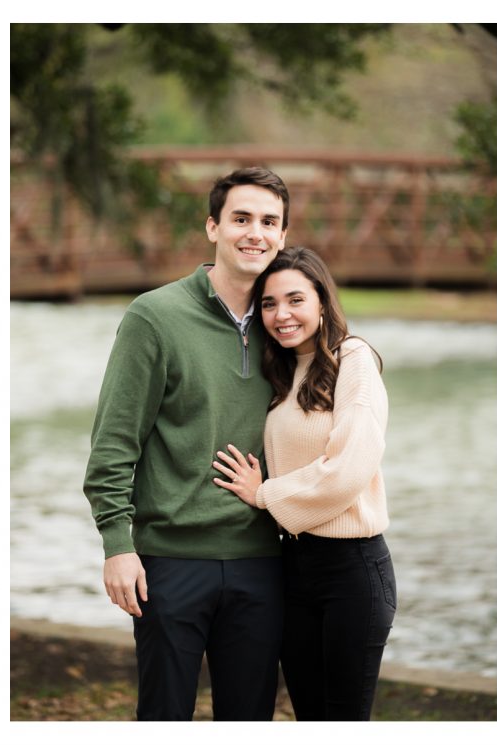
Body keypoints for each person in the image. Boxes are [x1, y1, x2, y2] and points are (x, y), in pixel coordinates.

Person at [84, 167, 290, 720]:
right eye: (241, 218)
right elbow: (113, 444)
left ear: (283, 236)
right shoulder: (155, 316)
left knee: (248, 719)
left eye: (269, 222)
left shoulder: (289, 326)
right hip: (170, 563)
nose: (255, 233)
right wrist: (117, 545)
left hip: (263, 562)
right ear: (212, 227)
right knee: (164, 717)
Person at [212, 246, 395, 720]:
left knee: (343, 718)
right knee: (309, 715)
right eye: (269, 304)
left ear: (321, 300)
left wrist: (264, 494)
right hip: (292, 566)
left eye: (295, 299)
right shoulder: (283, 370)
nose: (281, 315)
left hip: (351, 569)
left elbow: (348, 469)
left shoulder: (353, 358)